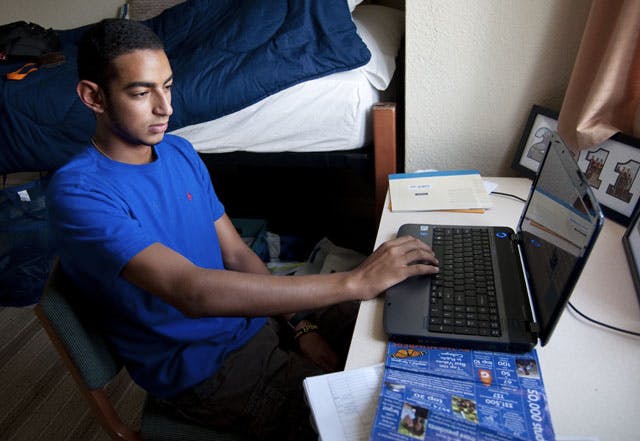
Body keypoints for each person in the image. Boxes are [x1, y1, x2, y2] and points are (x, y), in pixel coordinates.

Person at [46, 18, 439, 440]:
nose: (166, 107)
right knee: (375, 421)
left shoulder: (178, 151)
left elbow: (236, 255)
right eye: (142, 93)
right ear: (93, 97)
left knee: (398, 321)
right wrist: (353, 281)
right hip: (206, 370)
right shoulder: (79, 192)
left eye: (168, 86)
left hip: (256, 320)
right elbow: (192, 291)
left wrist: (300, 324)